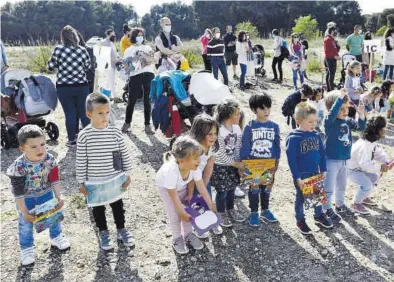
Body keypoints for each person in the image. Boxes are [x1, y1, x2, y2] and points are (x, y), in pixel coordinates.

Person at [6, 125, 70, 266]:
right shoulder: (19, 167)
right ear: (23, 148)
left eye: (42, 144)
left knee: (53, 216)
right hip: (26, 198)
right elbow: (18, 193)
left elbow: (54, 179)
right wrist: (24, 211)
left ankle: (56, 236)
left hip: (45, 193)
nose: (40, 149)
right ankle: (27, 249)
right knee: (25, 223)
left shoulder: (49, 159)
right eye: (33, 147)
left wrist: (59, 196)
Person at [77, 93, 133, 251]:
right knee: (98, 208)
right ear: (89, 114)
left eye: (107, 112)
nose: (105, 116)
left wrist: (127, 173)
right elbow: (81, 160)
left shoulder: (115, 132)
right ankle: (103, 232)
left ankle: (121, 229)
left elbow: (123, 153)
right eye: (100, 113)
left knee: (117, 204)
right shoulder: (84, 136)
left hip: (114, 177)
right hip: (94, 180)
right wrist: (81, 182)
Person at [156, 136, 215, 254]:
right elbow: (173, 196)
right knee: (175, 214)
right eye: (195, 158)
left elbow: (202, 189)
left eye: (199, 157)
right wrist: (182, 213)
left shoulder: (193, 168)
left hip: (181, 186)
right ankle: (177, 238)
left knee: (189, 210)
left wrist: (211, 205)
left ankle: (188, 235)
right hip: (167, 189)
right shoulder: (171, 172)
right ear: (182, 160)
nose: (199, 160)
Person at [285, 102, 332, 235]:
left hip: (315, 172)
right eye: (310, 122)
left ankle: (318, 215)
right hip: (301, 174)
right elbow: (291, 160)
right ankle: (300, 219)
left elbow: (322, 154)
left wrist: (324, 169)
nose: (314, 124)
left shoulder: (316, 135)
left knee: (317, 194)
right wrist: (297, 177)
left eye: (315, 121)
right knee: (301, 198)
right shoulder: (294, 138)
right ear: (298, 121)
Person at [323, 89, 366, 223]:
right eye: (341, 108)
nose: (345, 111)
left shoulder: (346, 120)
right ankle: (325, 209)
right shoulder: (329, 122)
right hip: (331, 160)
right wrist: (340, 98)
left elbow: (360, 128)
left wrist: (362, 115)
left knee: (341, 185)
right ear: (333, 109)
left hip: (344, 161)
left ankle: (339, 204)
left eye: (346, 108)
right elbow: (332, 114)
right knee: (328, 188)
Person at [240, 93, 281, 227]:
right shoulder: (249, 126)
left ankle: (265, 210)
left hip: (269, 164)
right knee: (255, 187)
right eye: (262, 108)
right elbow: (245, 146)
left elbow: (276, 146)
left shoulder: (274, 126)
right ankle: (253, 212)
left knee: (267, 186)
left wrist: (276, 163)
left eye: (268, 108)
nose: (266, 111)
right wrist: (244, 165)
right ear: (254, 109)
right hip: (254, 166)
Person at [47, 25, 91, 147]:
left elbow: (50, 67)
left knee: (70, 113)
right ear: (75, 37)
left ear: (63, 37)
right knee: (84, 113)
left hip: (64, 86)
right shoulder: (82, 50)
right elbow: (88, 67)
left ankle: (72, 140)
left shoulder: (58, 49)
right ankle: (89, 140)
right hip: (82, 85)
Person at [347, 115, 393, 215]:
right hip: (351, 169)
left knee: (375, 177)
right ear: (379, 130)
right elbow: (365, 165)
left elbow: (377, 152)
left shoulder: (371, 141)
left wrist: (386, 161)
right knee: (367, 184)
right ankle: (356, 203)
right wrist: (380, 167)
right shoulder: (364, 145)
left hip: (359, 168)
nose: (385, 130)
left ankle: (364, 197)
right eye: (384, 128)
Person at [186, 114, 223, 238]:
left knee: (207, 196)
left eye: (215, 133)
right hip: (190, 177)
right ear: (200, 133)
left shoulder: (212, 147)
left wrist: (205, 184)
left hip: (201, 176)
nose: (213, 137)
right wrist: (194, 190)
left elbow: (209, 166)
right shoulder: (194, 148)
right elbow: (190, 174)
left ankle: (211, 221)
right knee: (194, 201)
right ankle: (198, 225)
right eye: (209, 134)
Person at [211, 99, 245, 227]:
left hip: (232, 165)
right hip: (220, 166)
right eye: (237, 113)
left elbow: (237, 147)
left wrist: (238, 164)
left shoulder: (236, 128)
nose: (239, 116)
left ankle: (230, 209)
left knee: (232, 188)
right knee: (222, 191)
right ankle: (220, 212)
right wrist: (236, 164)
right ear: (228, 116)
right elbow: (219, 153)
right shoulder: (219, 130)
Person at [121, 28, 155, 134]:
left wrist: (144, 57)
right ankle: (127, 123)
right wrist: (135, 59)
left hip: (149, 75)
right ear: (133, 37)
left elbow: (152, 60)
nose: (140, 37)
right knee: (131, 100)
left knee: (147, 101)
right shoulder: (128, 50)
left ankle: (147, 125)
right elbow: (127, 68)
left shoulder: (147, 47)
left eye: (142, 35)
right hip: (135, 76)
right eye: (138, 35)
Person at [102, 29, 121, 99]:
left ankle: (106, 96)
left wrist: (119, 57)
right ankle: (115, 96)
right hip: (108, 65)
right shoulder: (104, 43)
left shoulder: (111, 43)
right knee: (111, 81)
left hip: (113, 64)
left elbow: (114, 53)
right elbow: (105, 56)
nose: (113, 36)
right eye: (112, 35)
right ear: (107, 35)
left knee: (108, 81)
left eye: (114, 35)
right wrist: (115, 59)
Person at [324, 26, 340, 92]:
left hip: (332, 59)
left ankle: (329, 89)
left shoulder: (332, 39)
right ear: (331, 31)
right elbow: (327, 52)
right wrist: (335, 56)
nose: (336, 32)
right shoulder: (328, 39)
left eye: (336, 30)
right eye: (334, 31)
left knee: (329, 74)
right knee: (331, 75)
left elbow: (334, 49)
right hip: (330, 59)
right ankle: (331, 90)